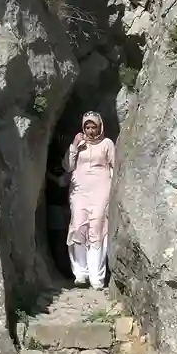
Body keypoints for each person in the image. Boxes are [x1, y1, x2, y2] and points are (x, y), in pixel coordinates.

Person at [65, 111, 115, 289]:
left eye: (94, 126)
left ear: (100, 127)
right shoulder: (79, 143)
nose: (91, 130)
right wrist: (74, 146)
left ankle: (97, 277)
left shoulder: (107, 143)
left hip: (101, 189)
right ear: (83, 127)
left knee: (97, 228)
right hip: (79, 190)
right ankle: (80, 273)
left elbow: (114, 166)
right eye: (88, 126)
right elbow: (69, 166)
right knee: (78, 227)